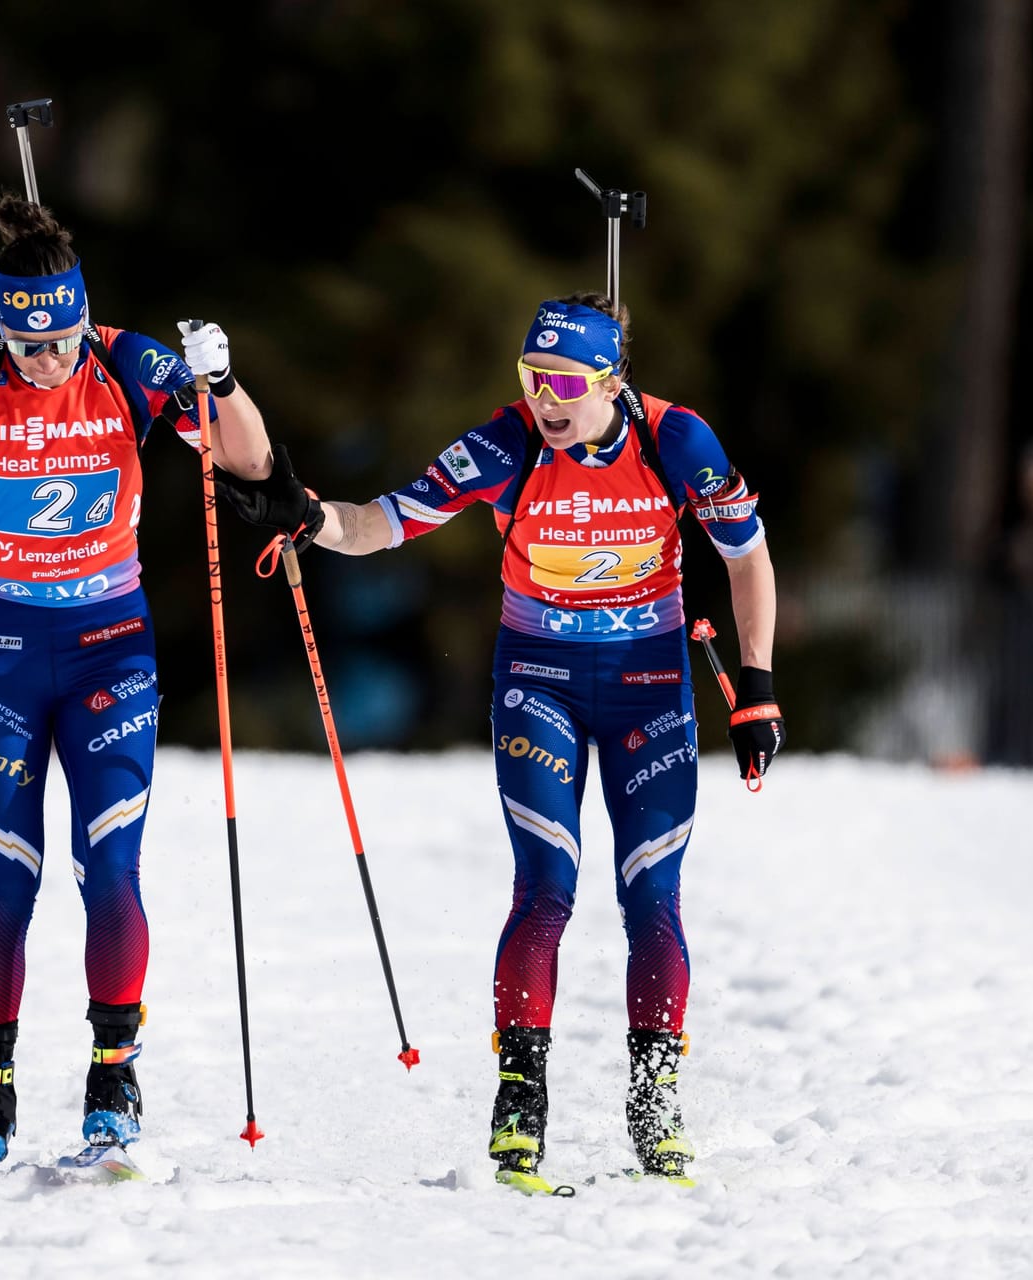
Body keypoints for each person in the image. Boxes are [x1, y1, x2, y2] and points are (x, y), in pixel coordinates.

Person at [217, 295, 782, 1193]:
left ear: (612, 381)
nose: (546, 400)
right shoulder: (505, 445)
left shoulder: (678, 443)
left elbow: (746, 556)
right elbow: (384, 522)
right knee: (548, 883)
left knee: (654, 897)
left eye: (564, 383)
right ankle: (520, 1098)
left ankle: (654, 1101)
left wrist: (754, 685)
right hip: (541, 686)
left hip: (648, 690)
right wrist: (308, 514)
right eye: (532, 378)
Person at [0, 194, 272, 1176]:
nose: (46, 361)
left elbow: (249, 457)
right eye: (27, 345)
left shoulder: (128, 364)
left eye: (60, 339)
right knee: (7, 877)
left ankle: (114, 1070)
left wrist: (221, 380)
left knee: (110, 864)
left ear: (84, 314)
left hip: (110, 643)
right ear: (1, 330)